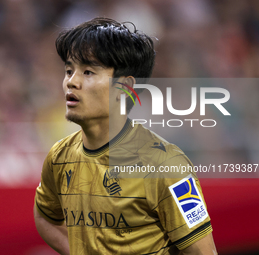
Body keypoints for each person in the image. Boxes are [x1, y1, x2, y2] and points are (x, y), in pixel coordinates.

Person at [34, 17, 217, 255]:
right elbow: (45, 216)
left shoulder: (166, 165)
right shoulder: (59, 157)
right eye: (69, 70)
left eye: (88, 72)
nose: (71, 82)